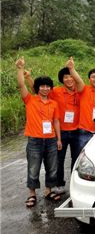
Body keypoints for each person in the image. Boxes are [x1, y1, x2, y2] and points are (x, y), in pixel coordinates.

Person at [24, 57, 83, 195]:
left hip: (76, 131)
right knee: (58, 160)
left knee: (77, 159)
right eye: (65, 77)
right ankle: (58, 184)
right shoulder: (55, 91)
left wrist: (72, 68)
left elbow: (83, 83)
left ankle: (77, 184)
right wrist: (28, 78)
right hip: (60, 131)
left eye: (71, 77)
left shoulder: (80, 91)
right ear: (62, 80)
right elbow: (38, 89)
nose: (69, 79)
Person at [16, 57, 63, 207]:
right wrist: (20, 69)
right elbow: (21, 84)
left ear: (50, 88)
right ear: (37, 88)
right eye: (42, 86)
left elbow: (56, 121)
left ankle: (48, 191)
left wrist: (59, 139)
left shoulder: (54, 103)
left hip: (50, 140)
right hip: (34, 140)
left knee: (52, 166)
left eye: (47, 86)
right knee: (33, 167)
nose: (45, 88)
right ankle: (32, 194)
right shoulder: (30, 100)